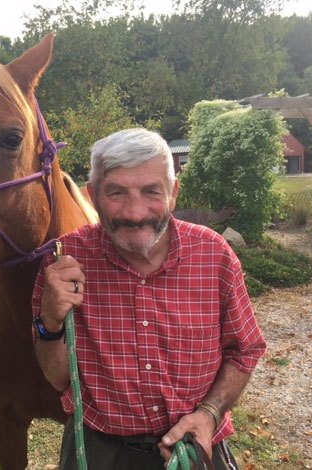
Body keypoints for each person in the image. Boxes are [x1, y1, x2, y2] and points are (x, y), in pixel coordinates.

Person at [31, 128, 266, 469]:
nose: (135, 212)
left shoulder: (214, 255)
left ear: (173, 193)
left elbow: (245, 351)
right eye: (116, 192)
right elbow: (59, 379)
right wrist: (50, 320)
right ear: (93, 195)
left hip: (193, 447)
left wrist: (209, 414)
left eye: (151, 191)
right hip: (100, 452)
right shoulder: (64, 261)